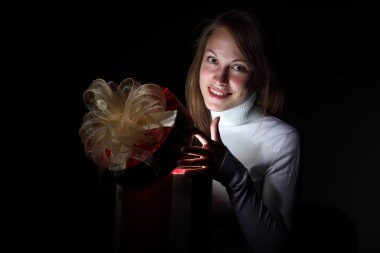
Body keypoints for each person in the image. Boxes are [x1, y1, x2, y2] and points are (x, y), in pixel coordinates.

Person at [177, 9, 300, 253]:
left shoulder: (282, 140)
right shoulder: (181, 126)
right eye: (212, 60)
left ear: (260, 76)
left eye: (238, 67)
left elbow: (276, 248)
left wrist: (235, 177)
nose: (220, 78)